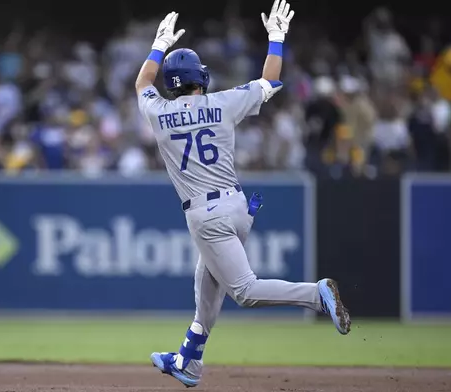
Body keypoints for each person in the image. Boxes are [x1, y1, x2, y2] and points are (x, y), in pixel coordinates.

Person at [134, 1, 351, 388]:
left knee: (244, 291)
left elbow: (142, 83)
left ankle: (316, 295)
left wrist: (158, 44)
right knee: (207, 282)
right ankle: (188, 359)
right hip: (237, 206)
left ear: (173, 83)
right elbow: (271, 82)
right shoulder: (223, 103)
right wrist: (277, 37)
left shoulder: (159, 113)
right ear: (200, 77)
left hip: (205, 214)